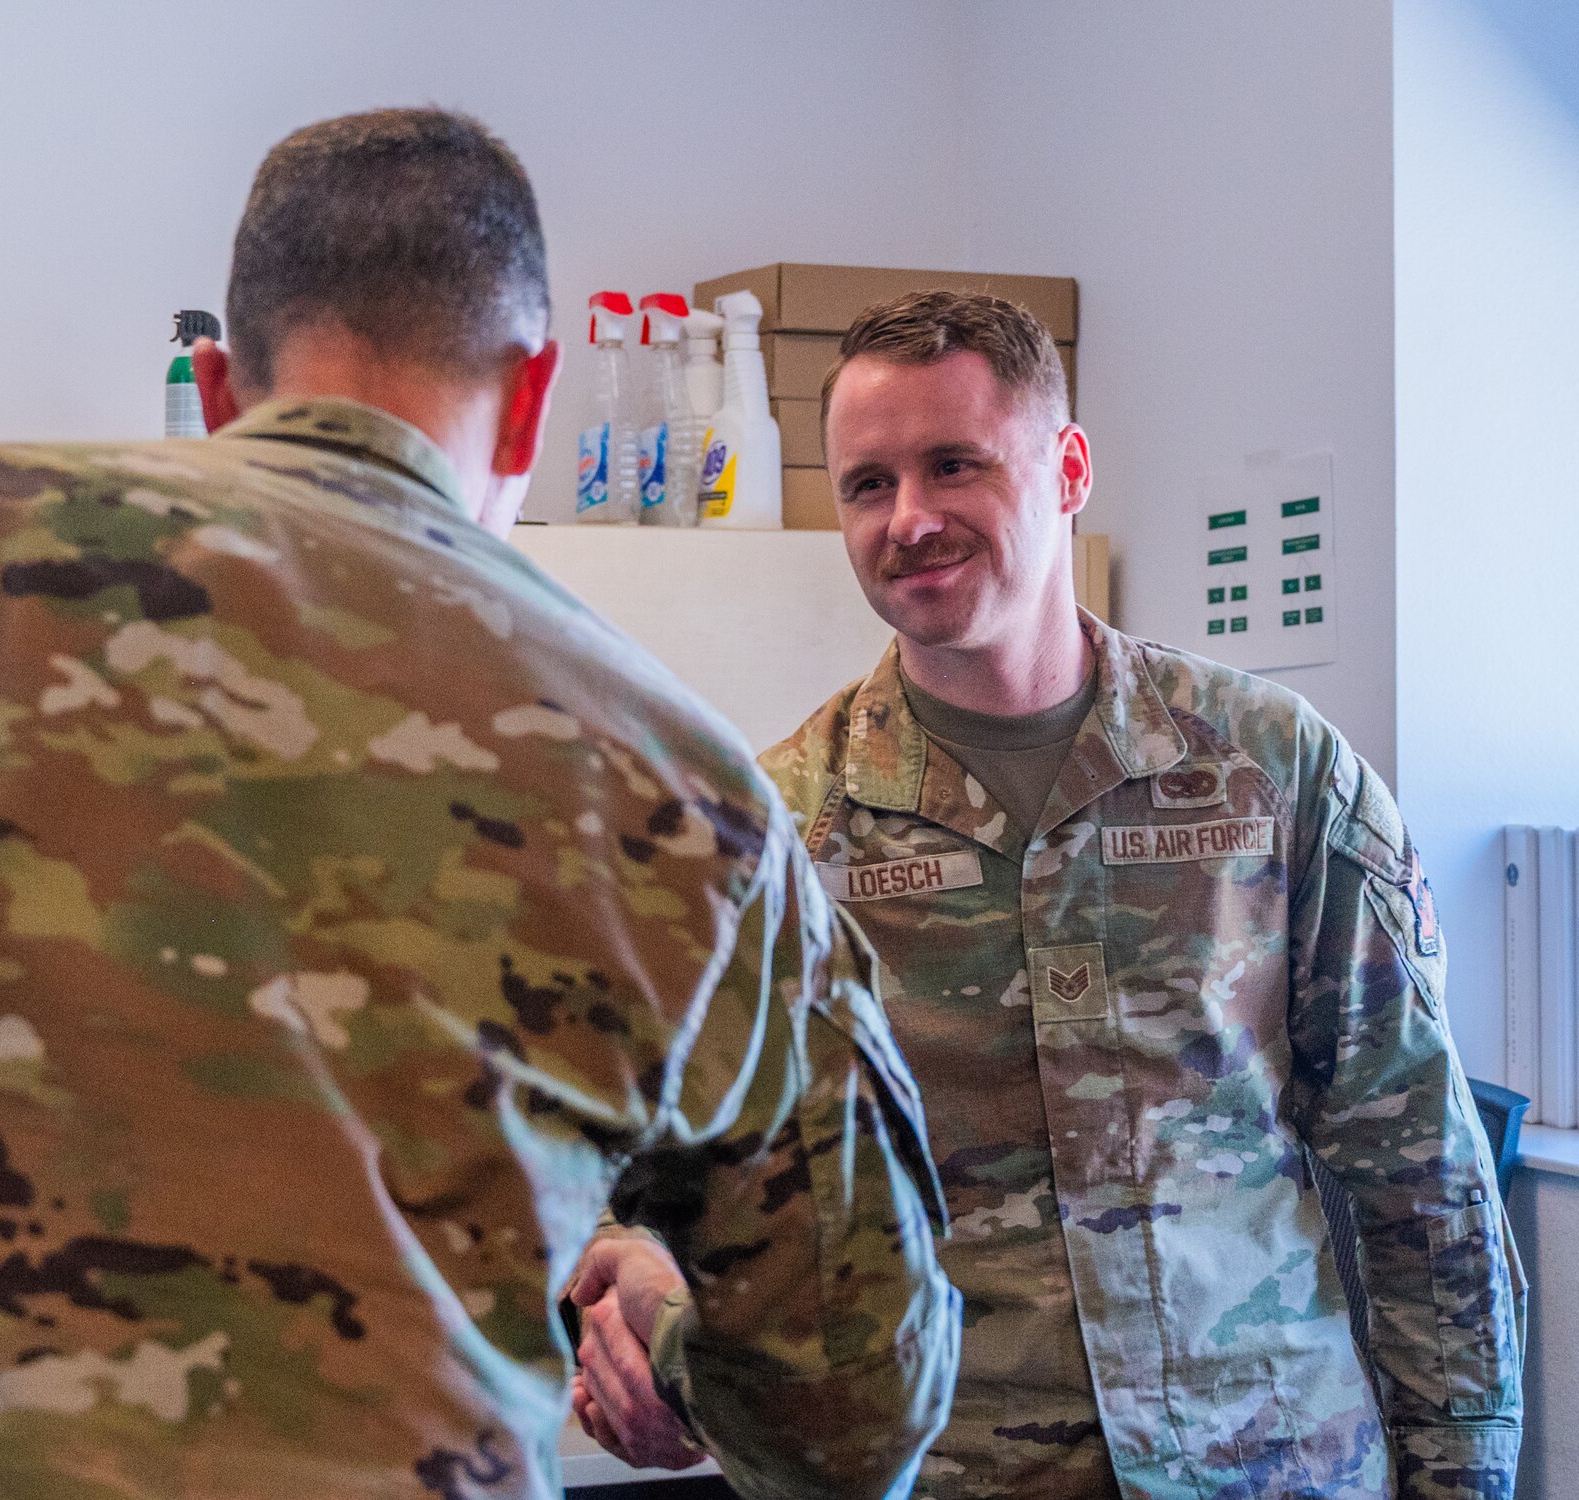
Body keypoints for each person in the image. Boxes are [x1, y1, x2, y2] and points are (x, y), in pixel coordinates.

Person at [0, 110, 960, 1500]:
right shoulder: (685, 788)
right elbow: (856, 1396)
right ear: (534, 400)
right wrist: (659, 1340)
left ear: (225, 386)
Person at [571, 291, 1525, 1499]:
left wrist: (1464, 1478)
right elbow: (640, 1168)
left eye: (951, 465)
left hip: (1268, 1465)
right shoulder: (771, 833)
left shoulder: (1269, 769)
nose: (906, 519)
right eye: (866, 485)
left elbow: (1418, 1171)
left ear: (1067, 468)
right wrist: (629, 1285)